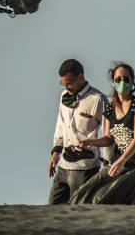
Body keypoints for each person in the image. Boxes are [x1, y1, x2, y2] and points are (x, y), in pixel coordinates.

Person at [71, 61, 135, 204]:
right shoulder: (110, 109)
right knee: (83, 195)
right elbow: (108, 138)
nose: (122, 82)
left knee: (105, 198)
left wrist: (121, 161)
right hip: (121, 165)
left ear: (132, 82)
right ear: (112, 82)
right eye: (118, 79)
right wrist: (91, 142)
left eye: (126, 79)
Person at [47, 58, 107, 204]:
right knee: (51, 207)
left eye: (69, 83)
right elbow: (60, 125)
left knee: (78, 209)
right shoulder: (64, 96)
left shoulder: (97, 99)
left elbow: (108, 133)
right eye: (63, 83)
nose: (66, 87)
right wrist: (55, 153)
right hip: (63, 165)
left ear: (80, 77)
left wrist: (108, 163)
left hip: (85, 167)